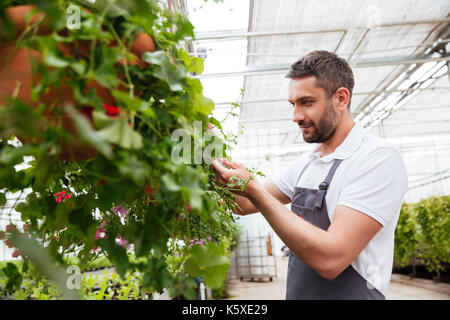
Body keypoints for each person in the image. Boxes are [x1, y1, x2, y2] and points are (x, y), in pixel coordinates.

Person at [211, 50, 408, 300]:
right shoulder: (308, 164)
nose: (296, 116)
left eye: (307, 102)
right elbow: (244, 203)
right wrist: (208, 150)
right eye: (293, 104)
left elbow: (332, 259)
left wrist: (256, 190)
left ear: (340, 98)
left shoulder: (377, 159)